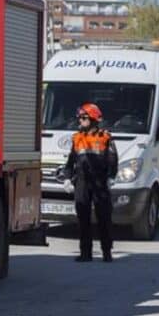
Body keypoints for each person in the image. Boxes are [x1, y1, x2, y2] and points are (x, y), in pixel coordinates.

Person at [60, 102, 118, 263]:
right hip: (82, 182)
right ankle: (85, 253)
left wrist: (111, 177)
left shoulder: (105, 137)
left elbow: (113, 159)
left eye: (83, 117)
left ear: (93, 119)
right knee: (83, 218)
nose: (80, 120)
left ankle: (107, 251)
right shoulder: (77, 138)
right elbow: (71, 161)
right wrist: (67, 178)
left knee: (104, 217)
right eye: (79, 118)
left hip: (100, 182)